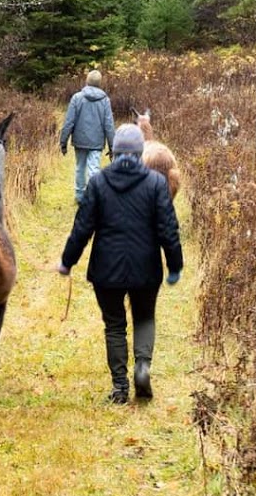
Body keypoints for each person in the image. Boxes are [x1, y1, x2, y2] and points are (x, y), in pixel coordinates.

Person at [56, 123, 183, 403]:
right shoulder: (156, 183)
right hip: (146, 269)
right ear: (140, 153)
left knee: (114, 326)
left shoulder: (98, 182)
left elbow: (82, 228)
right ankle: (142, 366)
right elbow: (168, 229)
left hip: (106, 271)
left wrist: (67, 261)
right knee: (144, 317)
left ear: (113, 152)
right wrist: (174, 266)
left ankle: (120, 388)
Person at [59, 69, 116, 204]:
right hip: (96, 142)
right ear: (99, 83)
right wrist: (112, 145)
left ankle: (79, 196)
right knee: (94, 168)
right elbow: (109, 125)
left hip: (80, 140)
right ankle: (94, 197)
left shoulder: (77, 98)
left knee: (80, 167)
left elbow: (69, 122)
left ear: (87, 81)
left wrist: (63, 141)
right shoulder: (105, 100)